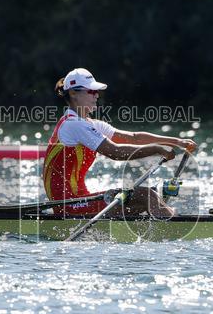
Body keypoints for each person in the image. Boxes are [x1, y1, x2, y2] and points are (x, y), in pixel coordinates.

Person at [43, 68, 197, 218]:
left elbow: (133, 137)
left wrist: (176, 142)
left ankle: (164, 226)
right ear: (73, 93)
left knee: (147, 197)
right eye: (91, 91)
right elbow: (115, 152)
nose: (96, 95)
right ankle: (174, 233)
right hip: (68, 204)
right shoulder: (73, 124)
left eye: (97, 91)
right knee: (146, 195)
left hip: (81, 199)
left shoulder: (90, 124)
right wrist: (157, 149)